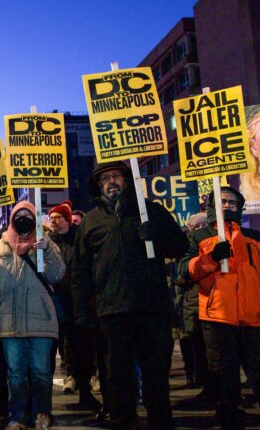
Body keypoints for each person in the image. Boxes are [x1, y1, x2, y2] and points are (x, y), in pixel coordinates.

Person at [72, 161, 188, 429]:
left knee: (156, 373)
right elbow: (80, 271)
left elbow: (179, 246)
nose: (111, 182)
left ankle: (160, 420)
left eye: (116, 176)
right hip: (113, 312)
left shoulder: (151, 212)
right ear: (98, 185)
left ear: (127, 179)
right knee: (119, 376)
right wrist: (82, 313)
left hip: (152, 308)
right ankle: (124, 420)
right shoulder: (91, 221)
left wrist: (155, 235)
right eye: (105, 179)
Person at [180, 187, 260, 430]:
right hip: (218, 319)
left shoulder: (255, 237)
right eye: (222, 201)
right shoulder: (199, 238)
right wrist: (209, 259)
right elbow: (183, 272)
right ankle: (230, 423)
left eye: (233, 202)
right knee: (224, 381)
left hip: (255, 320)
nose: (228, 206)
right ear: (212, 206)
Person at [0, 201, 65, 430]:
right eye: (18, 215)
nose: (23, 219)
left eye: (27, 215)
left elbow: (58, 273)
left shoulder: (44, 244)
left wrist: (46, 249)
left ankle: (43, 413)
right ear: (11, 219)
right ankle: (18, 416)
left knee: (41, 371)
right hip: (8, 321)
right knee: (16, 374)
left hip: (41, 319)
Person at [47, 201, 101, 413]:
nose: (53, 220)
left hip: (77, 301)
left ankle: (85, 389)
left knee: (81, 346)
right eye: (51, 217)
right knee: (57, 347)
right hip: (54, 302)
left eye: (58, 217)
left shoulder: (79, 240)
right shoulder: (45, 244)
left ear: (68, 221)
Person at [174, 212, 215, 405]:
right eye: (198, 226)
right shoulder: (186, 246)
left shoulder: (217, 240)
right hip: (194, 304)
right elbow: (181, 276)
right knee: (197, 347)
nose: (202, 229)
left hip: (214, 302)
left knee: (215, 349)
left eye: (204, 225)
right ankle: (207, 386)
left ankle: (222, 389)